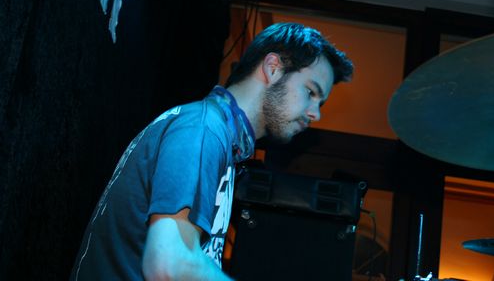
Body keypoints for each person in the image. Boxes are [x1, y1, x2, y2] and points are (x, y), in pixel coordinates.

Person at [70, 22, 354, 280]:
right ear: (272, 68)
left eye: (321, 103)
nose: (315, 113)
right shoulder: (204, 130)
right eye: (310, 92)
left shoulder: (216, 135)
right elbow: (168, 263)